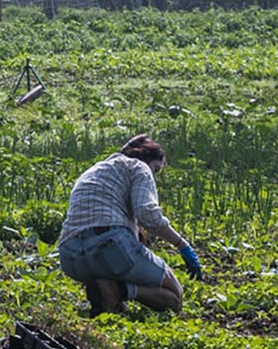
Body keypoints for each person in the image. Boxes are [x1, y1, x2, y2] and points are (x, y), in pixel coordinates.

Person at [57, 134, 204, 313]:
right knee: (174, 296)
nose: (153, 177)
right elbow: (147, 214)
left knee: (114, 262)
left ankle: (106, 291)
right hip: (109, 247)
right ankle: (121, 291)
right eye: (156, 170)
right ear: (147, 158)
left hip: (70, 258)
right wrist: (182, 245)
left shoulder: (94, 171)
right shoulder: (139, 167)